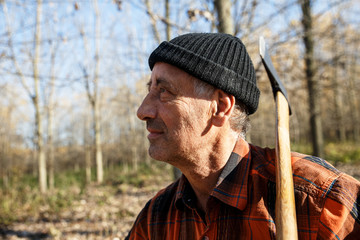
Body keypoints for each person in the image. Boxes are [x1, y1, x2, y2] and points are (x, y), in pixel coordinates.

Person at [126, 33, 360, 239]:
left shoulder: (320, 202)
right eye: (150, 90)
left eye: (164, 91)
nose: (142, 111)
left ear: (220, 107)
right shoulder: (155, 219)